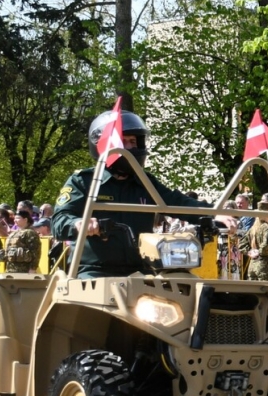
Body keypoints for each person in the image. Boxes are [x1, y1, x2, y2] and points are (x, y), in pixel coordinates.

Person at [50, 107, 209, 278]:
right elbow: (59, 221)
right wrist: (78, 223)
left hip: (141, 270)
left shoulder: (145, 182)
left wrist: (214, 215)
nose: (131, 147)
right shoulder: (83, 181)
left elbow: (178, 202)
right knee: (103, 295)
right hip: (94, 271)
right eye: (124, 141)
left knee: (192, 289)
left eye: (133, 141)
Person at [244, 200, 268, 280]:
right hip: (265, 266)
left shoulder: (252, 228)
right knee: (266, 287)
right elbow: (267, 245)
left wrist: (250, 252)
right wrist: (258, 252)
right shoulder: (267, 229)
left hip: (252, 265)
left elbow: (242, 243)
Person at [2, 209, 42, 274]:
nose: (15, 220)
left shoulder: (30, 233)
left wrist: (33, 268)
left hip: (24, 270)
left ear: (25, 219)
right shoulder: (13, 233)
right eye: (15, 218)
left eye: (18, 218)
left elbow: (36, 252)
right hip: (10, 269)